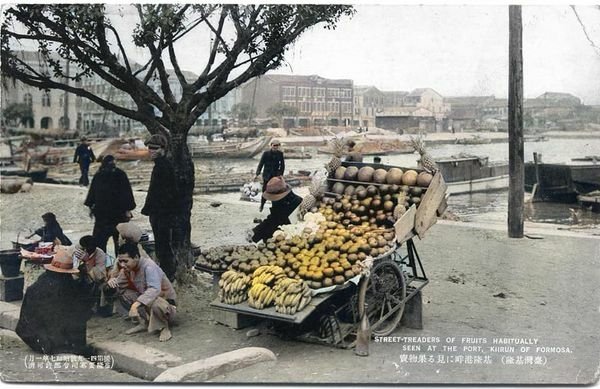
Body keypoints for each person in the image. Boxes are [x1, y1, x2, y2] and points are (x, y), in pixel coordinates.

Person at [15, 247, 94, 355]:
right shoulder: (64, 286)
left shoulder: (42, 280)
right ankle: (75, 348)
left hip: (30, 337)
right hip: (51, 342)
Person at [108, 241, 177, 342]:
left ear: (136, 257)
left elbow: (154, 290)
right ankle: (144, 322)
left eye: (125, 261)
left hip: (167, 307)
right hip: (148, 303)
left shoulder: (149, 266)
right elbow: (119, 285)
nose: (122, 265)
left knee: (155, 301)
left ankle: (164, 327)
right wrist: (112, 281)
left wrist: (135, 304)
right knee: (123, 292)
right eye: (120, 261)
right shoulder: (128, 268)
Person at [141, 134, 179, 282]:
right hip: (159, 212)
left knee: (163, 245)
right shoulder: (160, 165)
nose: (151, 151)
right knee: (161, 244)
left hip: (162, 213)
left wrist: (159, 209)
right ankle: (166, 273)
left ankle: (168, 275)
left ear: (162, 149)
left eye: (154, 148)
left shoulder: (163, 166)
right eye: (149, 148)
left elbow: (166, 192)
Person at [84, 155, 136, 256]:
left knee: (101, 244)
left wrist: (91, 208)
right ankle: (119, 265)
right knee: (120, 244)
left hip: (103, 217)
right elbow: (127, 193)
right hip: (118, 215)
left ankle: (103, 265)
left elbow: (92, 195)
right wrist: (128, 209)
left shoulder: (99, 175)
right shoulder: (120, 174)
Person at [71, 235, 114, 317]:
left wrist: (87, 261)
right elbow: (74, 266)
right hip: (82, 276)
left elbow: (100, 276)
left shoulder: (100, 254)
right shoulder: (78, 249)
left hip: (98, 280)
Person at [251, 176, 302, 243]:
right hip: (278, 227)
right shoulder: (280, 200)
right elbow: (273, 218)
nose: (273, 200)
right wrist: (254, 233)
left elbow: (275, 220)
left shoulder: (297, 202)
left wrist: (256, 233)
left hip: (291, 235)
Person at [255, 139, 285, 212]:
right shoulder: (266, 153)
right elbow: (261, 164)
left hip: (275, 176)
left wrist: (280, 174)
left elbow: (282, 166)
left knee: (275, 191)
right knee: (265, 190)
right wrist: (257, 173)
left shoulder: (280, 154)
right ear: (271, 145)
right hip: (266, 175)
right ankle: (262, 204)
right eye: (274, 145)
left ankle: (274, 207)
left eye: (277, 146)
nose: (275, 147)